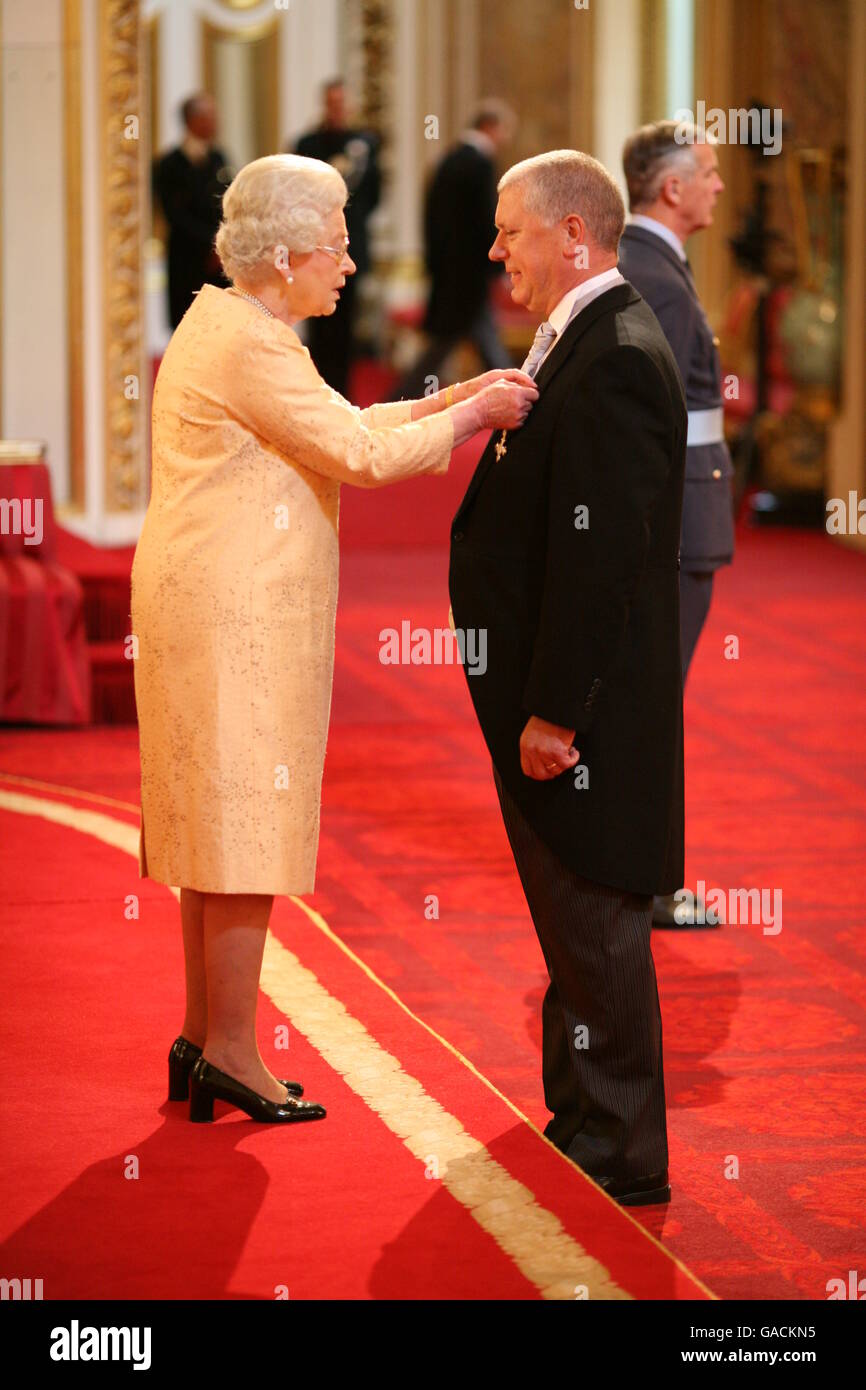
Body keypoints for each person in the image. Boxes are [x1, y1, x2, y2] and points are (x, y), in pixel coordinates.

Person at [130, 153, 537, 1127]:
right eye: (338, 242)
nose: (351, 262)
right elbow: (357, 453)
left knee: (212, 824)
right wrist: (478, 413)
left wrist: (447, 400)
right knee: (241, 831)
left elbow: (337, 424)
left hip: (205, 602)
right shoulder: (256, 344)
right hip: (234, 615)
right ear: (281, 255)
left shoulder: (233, 322)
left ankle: (203, 1034)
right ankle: (231, 1045)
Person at [449, 150, 687, 1206]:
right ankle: (579, 1114)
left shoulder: (620, 353)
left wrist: (551, 711)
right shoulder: (578, 337)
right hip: (549, 704)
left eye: (509, 229)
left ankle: (623, 1147)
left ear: (572, 234)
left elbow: (604, 568)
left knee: (594, 919)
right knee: (569, 917)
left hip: (581, 718)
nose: (494, 248)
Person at [618, 120, 735, 930]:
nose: (719, 186)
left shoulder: (656, 263)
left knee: (653, 701)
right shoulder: (653, 274)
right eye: (710, 173)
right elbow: (647, 415)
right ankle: (650, 882)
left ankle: (647, 877)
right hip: (678, 519)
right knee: (653, 705)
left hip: (690, 507)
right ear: (672, 188)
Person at [395, 99, 517, 401]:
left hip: (449, 273)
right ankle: (517, 393)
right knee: (453, 342)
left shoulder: (446, 160)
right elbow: (487, 220)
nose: (504, 140)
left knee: (464, 339)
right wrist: (499, 264)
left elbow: (433, 221)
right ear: (489, 127)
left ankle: (515, 390)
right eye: (503, 132)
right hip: (470, 275)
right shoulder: (481, 163)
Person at [293, 80, 381, 396]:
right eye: (332, 102)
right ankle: (315, 390)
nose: (337, 109)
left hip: (350, 244)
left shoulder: (366, 143)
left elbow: (373, 196)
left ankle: (342, 394)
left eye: (342, 102)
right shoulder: (307, 143)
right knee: (317, 321)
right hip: (314, 248)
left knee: (345, 325)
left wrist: (342, 231)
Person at [152, 93, 233, 329]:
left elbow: (228, 203)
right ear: (192, 120)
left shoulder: (219, 157)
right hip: (187, 261)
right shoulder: (169, 165)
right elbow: (175, 216)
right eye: (209, 116)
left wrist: (223, 245)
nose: (216, 122)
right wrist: (210, 243)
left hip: (218, 262)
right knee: (188, 326)